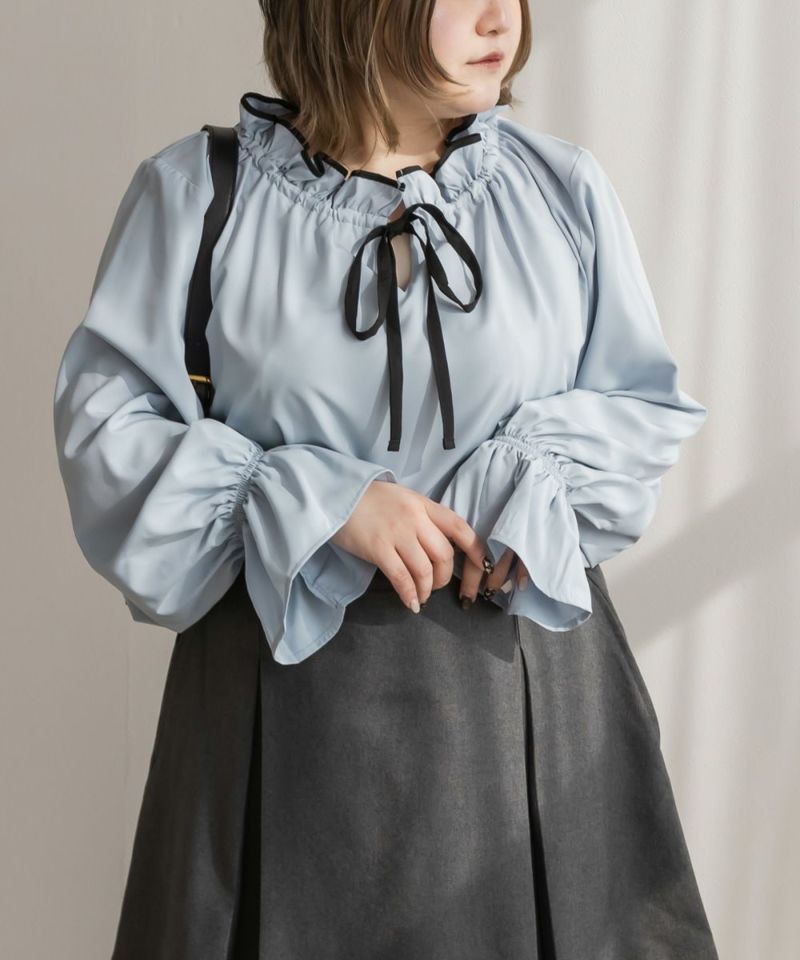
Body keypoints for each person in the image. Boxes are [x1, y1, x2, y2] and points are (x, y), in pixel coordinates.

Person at [52, 1, 720, 958]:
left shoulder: (557, 190)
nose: (501, 17)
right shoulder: (198, 197)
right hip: (286, 711)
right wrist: (316, 501)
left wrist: (529, 478)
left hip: (537, 699)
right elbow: (107, 438)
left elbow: (641, 404)